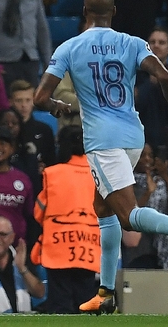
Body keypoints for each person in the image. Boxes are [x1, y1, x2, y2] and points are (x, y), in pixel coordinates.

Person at [33, 0, 168, 315]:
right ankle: (105, 293)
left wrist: (57, 106)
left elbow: (40, 98)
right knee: (102, 209)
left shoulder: (69, 47)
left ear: (84, 13)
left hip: (103, 142)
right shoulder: (132, 43)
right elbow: (166, 78)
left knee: (128, 217)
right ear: (114, 12)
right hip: (133, 137)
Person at [31, 125, 101, 314]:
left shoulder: (53, 173)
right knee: (85, 303)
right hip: (89, 249)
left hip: (58, 249)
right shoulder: (99, 175)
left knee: (60, 305)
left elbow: (39, 212)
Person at [9, 79, 56, 168]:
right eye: (19, 100)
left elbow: (51, 163)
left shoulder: (45, 130)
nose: (24, 105)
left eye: (28, 100)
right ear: (10, 102)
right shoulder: (4, 128)